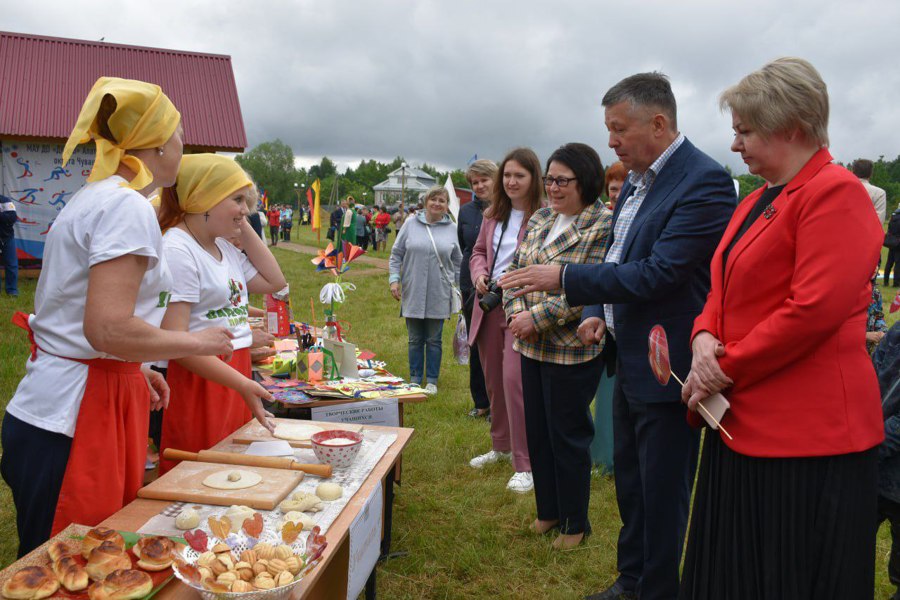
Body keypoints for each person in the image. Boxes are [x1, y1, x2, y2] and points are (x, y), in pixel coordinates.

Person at [500, 72, 736, 600]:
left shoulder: (704, 182)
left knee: (661, 487)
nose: (611, 142)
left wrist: (563, 278)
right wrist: (600, 313)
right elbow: (619, 257)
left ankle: (655, 588)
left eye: (618, 129)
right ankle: (631, 580)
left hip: (670, 364)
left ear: (658, 123)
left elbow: (658, 273)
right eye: (608, 130)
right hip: (629, 356)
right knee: (631, 482)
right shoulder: (635, 179)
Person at [0, 77, 236, 556]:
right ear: (157, 143)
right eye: (179, 133)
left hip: (74, 397)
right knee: (75, 563)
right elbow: (107, 327)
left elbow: (84, 316)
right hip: (73, 414)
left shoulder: (96, 197)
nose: (182, 144)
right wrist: (198, 342)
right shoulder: (126, 204)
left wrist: (137, 366)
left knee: (84, 559)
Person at [678, 57, 884, 600]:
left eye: (745, 131)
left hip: (808, 437)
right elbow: (718, 287)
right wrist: (702, 339)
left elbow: (812, 311)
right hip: (742, 420)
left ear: (790, 126)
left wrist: (719, 369)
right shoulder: (754, 199)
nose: (735, 145)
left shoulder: (836, 193)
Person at [505, 143, 613, 547]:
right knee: (538, 433)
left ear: (584, 181)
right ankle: (548, 511)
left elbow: (590, 285)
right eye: (549, 179)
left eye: (561, 180)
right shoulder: (540, 218)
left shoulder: (601, 223)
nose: (552, 187)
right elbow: (516, 272)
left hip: (570, 349)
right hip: (529, 345)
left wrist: (537, 318)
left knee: (567, 436)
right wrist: (517, 314)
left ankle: (575, 523)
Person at [156, 154, 284, 474]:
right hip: (202, 379)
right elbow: (176, 342)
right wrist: (239, 382)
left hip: (235, 372)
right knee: (200, 473)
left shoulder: (222, 246)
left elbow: (274, 281)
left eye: (247, 201)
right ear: (204, 198)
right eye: (238, 199)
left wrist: (241, 223)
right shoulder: (178, 249)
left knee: (232, 470)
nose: (247, 209)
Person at [468, 149, 542, 493]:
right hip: (489, 305)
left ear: (534, 179)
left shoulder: (545, 215)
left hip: (522, 308)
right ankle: (500, 446)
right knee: (494, 381)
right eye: (507, 176)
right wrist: (480, 274)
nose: (511, 182)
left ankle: (525, 464)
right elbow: (478, 252)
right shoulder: (492, 214)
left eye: (519, 176)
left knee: (515, 383)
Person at [389, 186, 462, 395]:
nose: (437, 204)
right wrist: (394, 280)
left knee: (434, 338)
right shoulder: (410, 224)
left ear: (447, 205)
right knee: (414, 338)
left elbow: (458, 262)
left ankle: (431, 380)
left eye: (442, 200)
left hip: (439, 291)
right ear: (426, 201)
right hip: (413, 288)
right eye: (433, 199)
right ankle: (414, 378)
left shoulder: (452, 229)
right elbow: (396, 254)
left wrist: (459, 289)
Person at [458, 159, 496, 419]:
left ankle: (500, 402)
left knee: (501, 345)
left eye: (484, 180)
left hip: (500, 283)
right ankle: (481, 401)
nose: (480, 185)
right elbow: (467, 247)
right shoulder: (466, 211)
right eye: (475, 182)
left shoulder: (507, 209)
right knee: (477, 343)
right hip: (471, 282)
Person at [875, 323, 900, 600]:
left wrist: (867, 447)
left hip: (882, 466)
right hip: (872, 477)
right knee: (849, 547)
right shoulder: (895, 336)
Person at [853, 158, 888, 223]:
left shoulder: (844, 190)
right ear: (871, 173)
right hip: (868, 231)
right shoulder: (879, 193)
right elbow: (879, 221)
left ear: (853, 172)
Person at [0, 195, 18, 296]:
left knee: (11, 264)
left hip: (7, 237)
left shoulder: (5, 200)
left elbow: (12, 217)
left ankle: (12, 290)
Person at [885, 206, 900, 287]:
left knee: (889, 263)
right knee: (898, 264)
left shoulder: (893, 218)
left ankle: (886, 282)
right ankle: (896, 283)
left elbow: (889, 229)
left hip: (891, 242)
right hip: (898, 243)